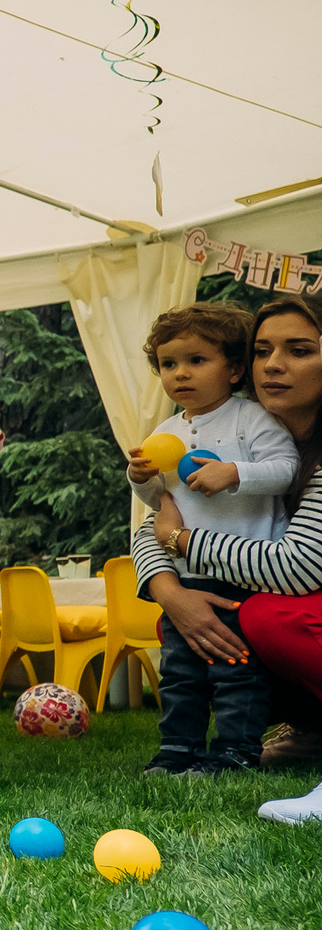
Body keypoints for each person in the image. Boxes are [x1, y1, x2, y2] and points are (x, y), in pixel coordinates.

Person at [134, 293, 322, 822]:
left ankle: (242, 747)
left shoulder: (258, 433)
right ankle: (182, 749)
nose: (274, 365)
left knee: (259, 632)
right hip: (207, 582)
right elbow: (157, 518)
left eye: (299, 350)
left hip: (274, 595)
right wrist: (170, 591)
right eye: (263, 350)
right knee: (185, 657)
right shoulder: (178, 430)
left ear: (228, 368)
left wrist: (183, 539)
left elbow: (297, 567)